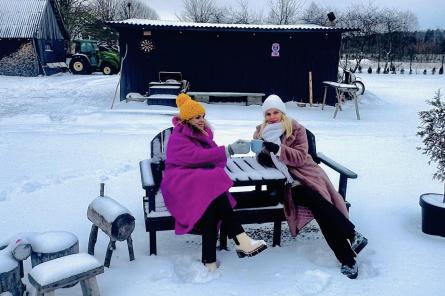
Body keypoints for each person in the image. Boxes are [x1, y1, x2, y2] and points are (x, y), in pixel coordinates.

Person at [253, 94, 368, 279]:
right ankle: (352, 236)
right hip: (289, 184)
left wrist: (279, 149)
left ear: (283, 112)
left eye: (276, 112)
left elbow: (299, 157)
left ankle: (348, 260)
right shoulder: (260, 132)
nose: (272, 116)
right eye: (268, 113)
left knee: (320, 209)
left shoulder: (296, 129)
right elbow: (260, 158)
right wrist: (264, 155)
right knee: (318, 204)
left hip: (308, 175)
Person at [160, 93, 267, 272]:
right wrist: (228, 150)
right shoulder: (179, 136)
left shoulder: (202, 135)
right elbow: (195, 157)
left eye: (203, 116)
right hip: (178, 182)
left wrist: (224, 153)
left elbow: (216, 162)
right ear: (187, 119)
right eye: (197, 117)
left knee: (212, 202)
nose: (202, 120)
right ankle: (242, 240)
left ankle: (209, 261)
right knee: (213, 183)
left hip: (196, 182)